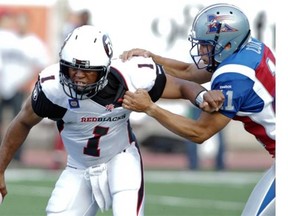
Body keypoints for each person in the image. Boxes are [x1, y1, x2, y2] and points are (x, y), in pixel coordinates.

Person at [0, 25, 223, 215]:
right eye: (72, 68)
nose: (78, 76)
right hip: (78, 166)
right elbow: (22, 122)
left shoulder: (129, 76)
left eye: (87, 71)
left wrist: (202, 96)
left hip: (121, 159)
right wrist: (0, 169)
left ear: (105, 70)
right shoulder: (52, 88)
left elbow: (182, 85)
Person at [120, 3, 275, 216]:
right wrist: (152, 58)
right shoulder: (249, 46)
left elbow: (199, 132)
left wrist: (150, 108)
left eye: (206, 45)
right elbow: (191, 72)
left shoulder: (234, 76)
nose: (201, 50)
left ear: (228, 45)